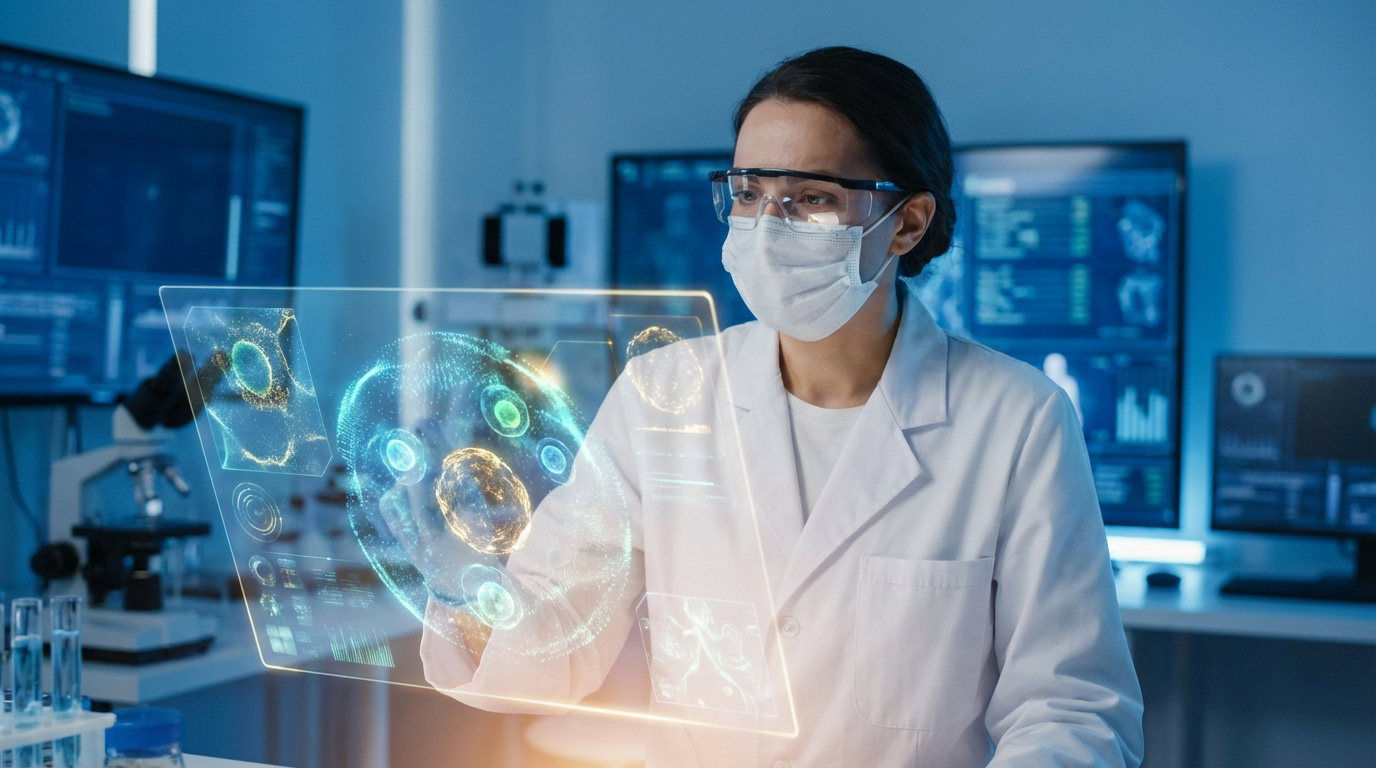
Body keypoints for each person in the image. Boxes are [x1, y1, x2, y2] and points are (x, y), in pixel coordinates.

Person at [419, 46, 1144, 766]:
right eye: (747, 192)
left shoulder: (1017, 421)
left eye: (811, 198)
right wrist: (456, 579)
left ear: (907, 223)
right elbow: (561, 626)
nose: (766, 225)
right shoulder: (663, 396)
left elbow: (1069, 709)